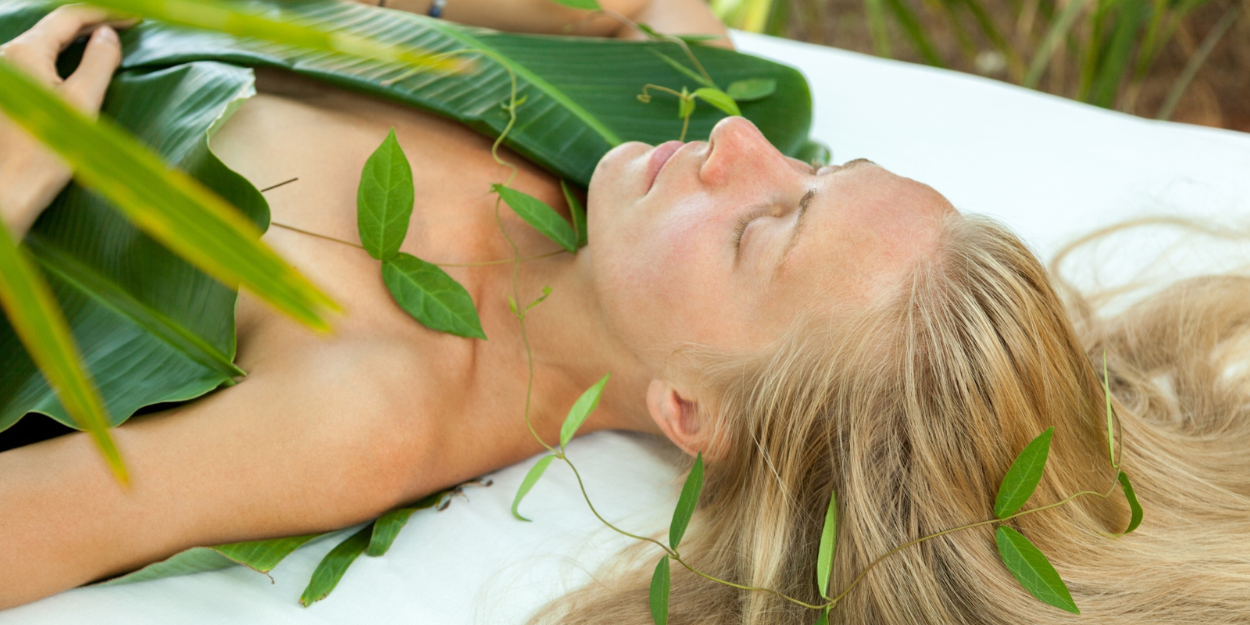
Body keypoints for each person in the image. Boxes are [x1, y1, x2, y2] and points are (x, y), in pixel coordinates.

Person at [3, 2, 1249, 623]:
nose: (742, 147)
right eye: (811, 174)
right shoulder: (647, 116)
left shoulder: (370, 408)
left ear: (687, 408)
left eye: (768, 227)